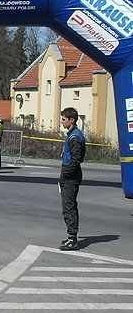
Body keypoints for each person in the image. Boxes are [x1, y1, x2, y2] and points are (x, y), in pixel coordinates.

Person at [59, 107, 86, 251]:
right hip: (69, 175)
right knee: (68, 206)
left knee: (68, 207)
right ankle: (71, 236)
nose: (62, 122)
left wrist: (65, 175)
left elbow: (76, 160)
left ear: (72, 120)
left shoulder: (75, 137)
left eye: (64, 119)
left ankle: (72, 239)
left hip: (71, 177)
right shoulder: (72, 134)